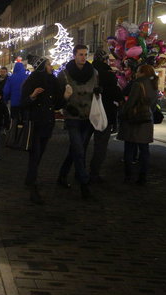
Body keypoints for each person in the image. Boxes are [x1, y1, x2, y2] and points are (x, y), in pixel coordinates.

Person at [56, 44, 99, 198]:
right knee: (80, 151)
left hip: (87, 117)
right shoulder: (65, 74)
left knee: (76, 149)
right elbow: (58, 97)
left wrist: (98, 93)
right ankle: (84, 185)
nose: (83, 57)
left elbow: (97, 89)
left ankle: (62, 175)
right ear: (74, 55)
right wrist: (66, 102)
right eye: (80, 54)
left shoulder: (93, 72)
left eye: (85, 54)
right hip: (73, 117)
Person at [20, 55, 64, 204]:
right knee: (35, 153)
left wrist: (67, 96)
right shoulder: (31, 81)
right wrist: (32, 96)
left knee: (39, 154)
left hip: (48, 122)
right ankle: (33, 186)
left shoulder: (53, 81)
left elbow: (57, 103)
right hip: (35, 122)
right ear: (43, 67)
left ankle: (30, 178)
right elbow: (23, 102)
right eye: (49, 64)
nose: (51, 67)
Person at [117, 64, 158, 185]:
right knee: (144, 150)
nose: (137, 73)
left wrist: (122, 113)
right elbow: (154, 105)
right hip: (147, 119)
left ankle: (128, 175)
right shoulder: (154, 85)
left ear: (143, 73)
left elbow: (130, 103)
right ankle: (143, 177)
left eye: (139, 71)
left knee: (129, 149)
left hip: (134, 119)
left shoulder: (138, 84)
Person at [88, 49, 121, 182]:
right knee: (100, 145)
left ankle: (78, 170)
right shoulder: (108, 74)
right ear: (105, 60)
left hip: (87, 112)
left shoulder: (87, 72)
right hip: (104, 113)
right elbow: (116, 93)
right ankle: (94, 172)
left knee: (81, 144)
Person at [3, 60, 29, 146]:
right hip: (25, 103)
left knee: (14, 121)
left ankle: (13, 140)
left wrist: (6, 100)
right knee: (25, 121)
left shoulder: (11, 78)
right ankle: (24, 141)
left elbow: (6, 91)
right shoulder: (27, 77)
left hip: (14, 103)